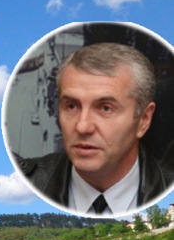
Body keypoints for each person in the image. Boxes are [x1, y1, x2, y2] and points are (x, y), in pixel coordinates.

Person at [17, 42, 173, 216]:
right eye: (71, 106)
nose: (82, 126)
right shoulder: (29, 180)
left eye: (106, 108)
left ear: (143, 120)